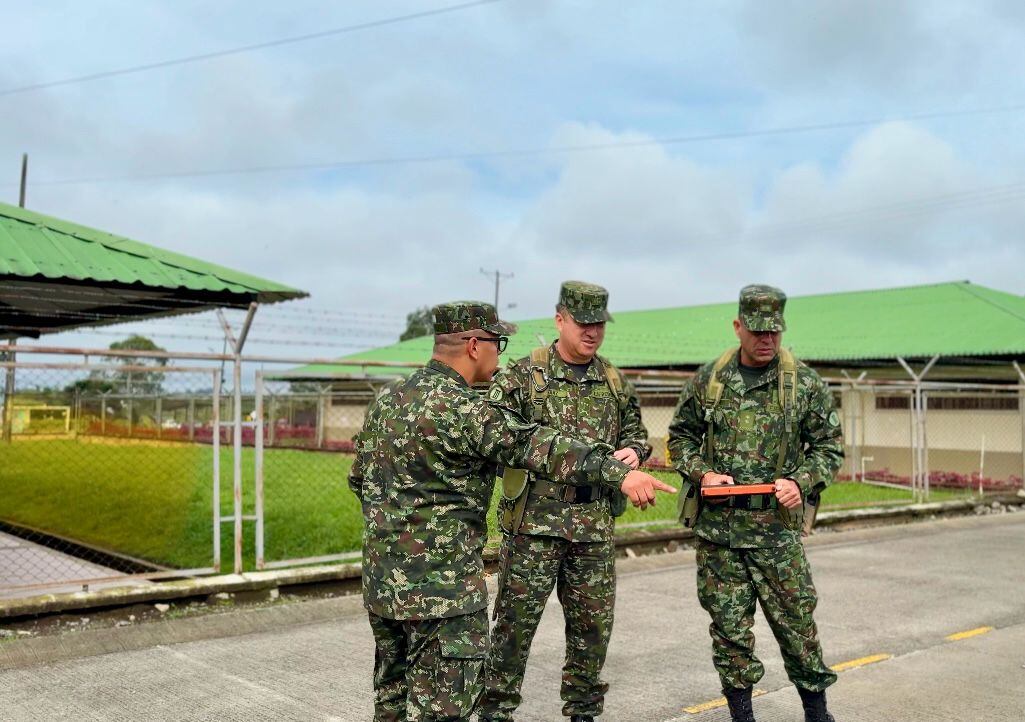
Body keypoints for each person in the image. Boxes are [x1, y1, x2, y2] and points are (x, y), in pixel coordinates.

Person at [349, 301, 674, 722]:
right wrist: (618, 473)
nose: (499, 353)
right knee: (444, 710)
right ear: (472, 345)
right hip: (443, 595)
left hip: (383, 586)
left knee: (392, 702)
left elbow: (360, 480)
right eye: (496, 343)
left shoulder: (388, 398)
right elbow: (540, 446)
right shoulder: (466, 409)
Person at [667, 285, 844, 722]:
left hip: (776, 532)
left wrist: (800, 482)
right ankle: (741, 716)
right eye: (758, 332)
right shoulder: (710, 379)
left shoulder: (803, 383)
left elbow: (830, 447)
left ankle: (817, 713)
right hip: (720, 535)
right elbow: (679, 437)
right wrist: (700, 472)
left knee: (797, 625)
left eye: (775, 332)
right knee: (729, 632)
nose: (767, 340)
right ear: (738, 326)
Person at [479, 282, 652, 722]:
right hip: (534, 525)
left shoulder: (613, 380)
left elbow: (636, 432)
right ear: (560, 319)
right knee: (513, 632)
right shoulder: (524, 375)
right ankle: (495, 713)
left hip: (593, 525)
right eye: (583, 323)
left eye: (599, 324)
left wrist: (635, 450)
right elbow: (498, 437)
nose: (592, 332)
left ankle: (582, 713)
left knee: (592, 632)